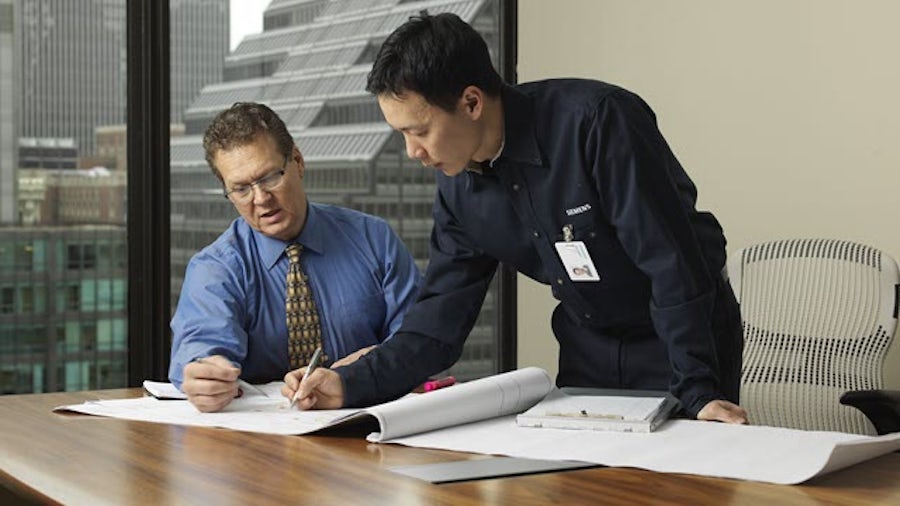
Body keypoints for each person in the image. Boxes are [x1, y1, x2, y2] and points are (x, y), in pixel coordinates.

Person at [287, 13, 747, 424]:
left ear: (471, 102)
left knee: (681, 474)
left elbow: (672, 263)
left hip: (681, 333)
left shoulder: (597, 123)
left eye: (419, 131)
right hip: (589, 342)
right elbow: (439, 320)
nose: (413, 152)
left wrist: (699, 389)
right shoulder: (457, 186)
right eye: (401, 135)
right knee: (585, 476)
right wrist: (350, 383)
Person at [170, 102, 422, 412]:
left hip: (371, 421)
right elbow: (201, 346)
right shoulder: (216, 268)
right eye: (241, 189)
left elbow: (419, 341)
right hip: (261, 433)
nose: (261, 199)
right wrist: (205, 375)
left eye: (269, 177)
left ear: (298, 162)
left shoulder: (374, 240)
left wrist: (368, 368)